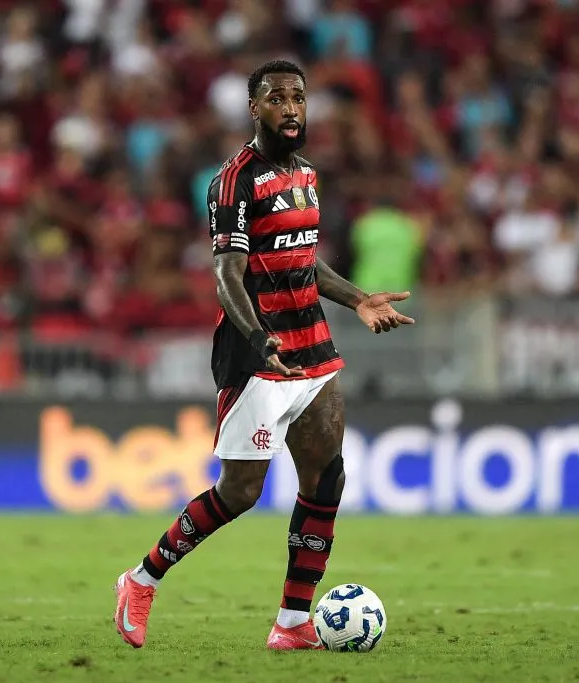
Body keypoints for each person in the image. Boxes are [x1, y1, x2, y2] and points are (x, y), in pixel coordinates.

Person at [112, 60, 415, 650]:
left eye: (298, 97)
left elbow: (303, 261)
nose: (291, 107)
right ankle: (139, 579)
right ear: (255, 109)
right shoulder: (234, 180)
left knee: (327, 477)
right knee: (242, 492)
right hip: (257, 351)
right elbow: (228, 273)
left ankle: (294, 621)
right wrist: (259, 341)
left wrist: (356, 299)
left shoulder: (305, 174)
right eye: (276, 98)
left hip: (313, 346)